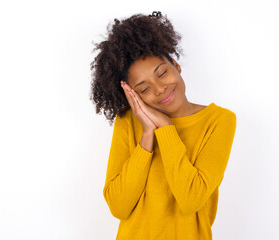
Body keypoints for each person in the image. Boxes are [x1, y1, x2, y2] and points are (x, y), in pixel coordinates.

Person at [90, 11, 237, 240]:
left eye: (162, 73)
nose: (159, 89)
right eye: (144, 89)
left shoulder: (218, 120)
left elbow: (191, 199)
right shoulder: (128, 121)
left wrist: (166, 128)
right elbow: (118, 206)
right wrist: (148, 135)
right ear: (132, 95)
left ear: (176, 65)